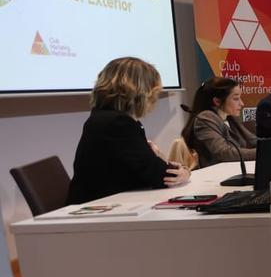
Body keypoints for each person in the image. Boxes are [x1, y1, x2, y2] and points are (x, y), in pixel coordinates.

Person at [67, 57, 191, 204]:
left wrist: (169, 165)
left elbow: (147, 168)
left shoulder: (105, 118)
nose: (155, 98)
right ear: (143, 92)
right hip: (100, 212)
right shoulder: (118, 124)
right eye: (155, 92)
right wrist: (184, 172)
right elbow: (161, 177)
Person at [182, 77, 256, 168]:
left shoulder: (229, 117)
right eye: (236, 99)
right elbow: (224, 153)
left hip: (233, 170)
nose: (242, 103)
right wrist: (262, 153)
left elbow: (253, 141)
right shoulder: (206, 118)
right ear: (217, 101)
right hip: (216, 176)